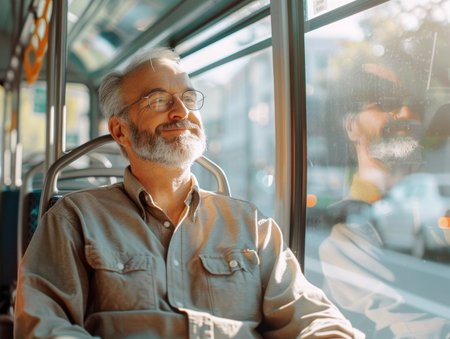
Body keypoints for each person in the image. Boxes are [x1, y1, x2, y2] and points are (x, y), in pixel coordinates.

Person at [14, 47, 364, 338]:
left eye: (187, 98)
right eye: (158, 101)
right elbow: (44, 326)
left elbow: (312, 317)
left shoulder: (250, 225)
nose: (181, 112)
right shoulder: (75, 219)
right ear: (120, 131)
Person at [319, 49, 450, 338]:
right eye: (386, 100)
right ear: (351, 126)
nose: (405, 113)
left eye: (412, 103)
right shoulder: (345, 234)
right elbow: (409, 326)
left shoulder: (428, 205)